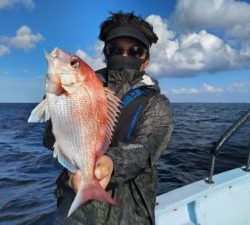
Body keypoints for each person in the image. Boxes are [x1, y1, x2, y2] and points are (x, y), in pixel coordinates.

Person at [43, 11, 173, 225]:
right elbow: (50, 142)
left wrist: (112, 161)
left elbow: (146, 148)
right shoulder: (86, 87)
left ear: (146, 61)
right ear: (105, 53)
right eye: (115, 49)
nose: (124, 55)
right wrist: (55, 103)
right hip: (75, 212)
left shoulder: (156, 103)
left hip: (131, 215)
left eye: (135, 51)